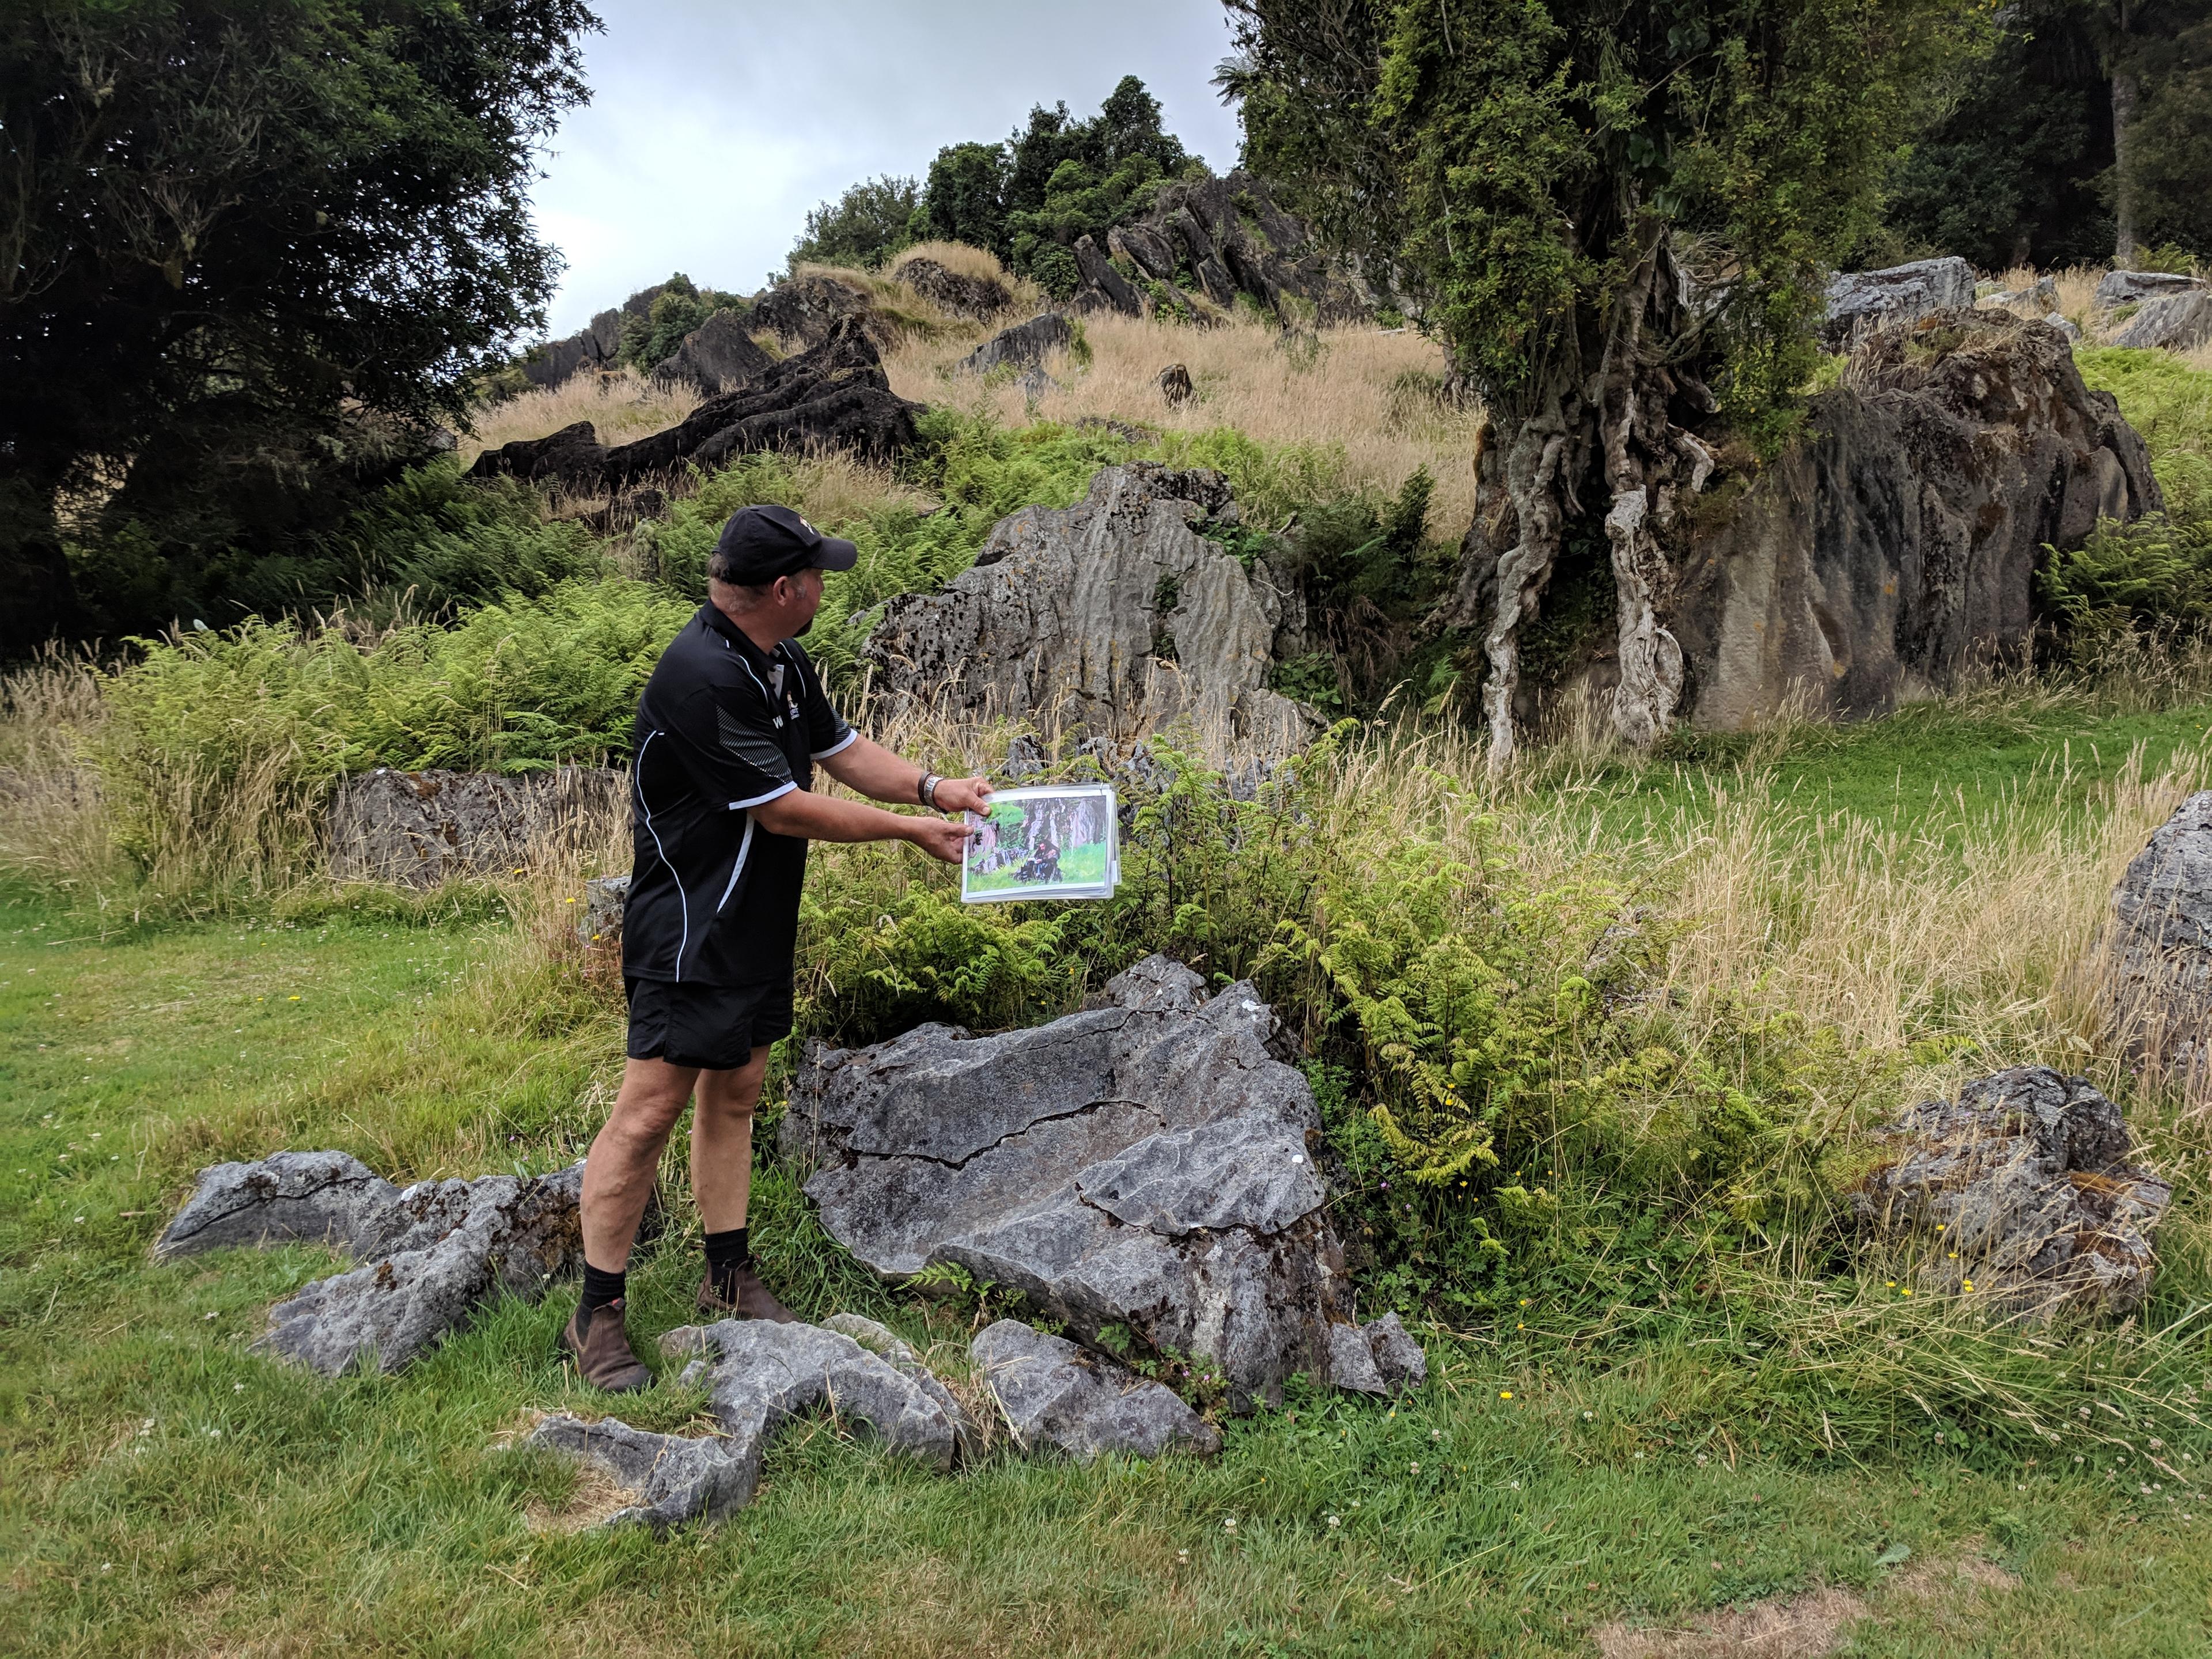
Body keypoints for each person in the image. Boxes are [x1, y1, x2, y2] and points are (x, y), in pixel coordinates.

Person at [560, 504, 990, 1392]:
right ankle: (596, 1313)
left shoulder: (780, 661)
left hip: (756, 921)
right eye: (819, 574)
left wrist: (934, 786)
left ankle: (727, 1273)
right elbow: (783, 807)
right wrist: (910, 832)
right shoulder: (701, 678)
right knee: (648, 1112)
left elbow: (841, 751)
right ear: (786, 589)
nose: (827, 585)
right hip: (690, 928)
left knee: (740, 1091)